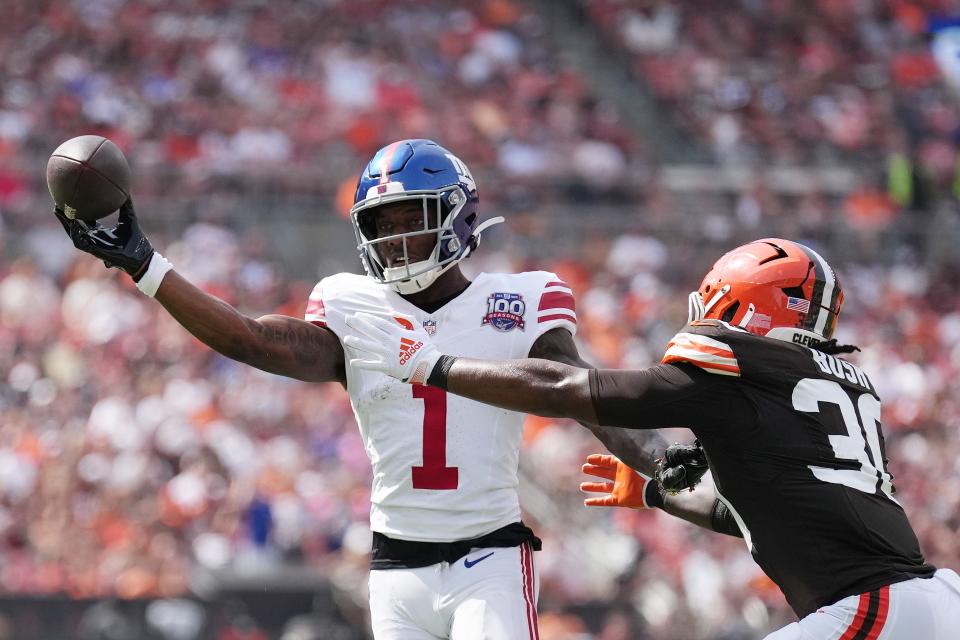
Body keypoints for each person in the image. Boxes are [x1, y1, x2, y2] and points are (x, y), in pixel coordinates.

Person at [54, 138, 670, 640]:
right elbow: (248, 338)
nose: (396, 239)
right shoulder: (352, 304)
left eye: (413, 219)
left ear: (458, 217)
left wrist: (663, 467)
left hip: (490, 558)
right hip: (395, 566)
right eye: (383, 223)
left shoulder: (520, 298)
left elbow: (578, 392)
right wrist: (142, 262)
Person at [343, 237, 960, 639]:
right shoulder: (838, 381)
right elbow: (759, 511)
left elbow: (569, 387)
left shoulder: (738, 362)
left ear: (744, 309)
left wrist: (430, 365)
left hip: (872, 609)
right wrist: (658, 496)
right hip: (932, 600)